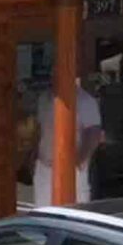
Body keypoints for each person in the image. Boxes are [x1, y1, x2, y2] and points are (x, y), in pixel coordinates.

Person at [33, 75, 102, 207]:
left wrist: (81, 160)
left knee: (74, 212)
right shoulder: (43, 99)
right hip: (45, 166)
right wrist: (33, 156)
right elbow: (39, 129)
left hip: (72, 168)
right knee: (43, 211)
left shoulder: (84, 101)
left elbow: (94, 133)